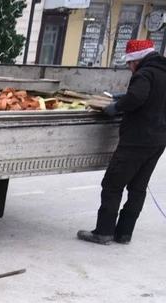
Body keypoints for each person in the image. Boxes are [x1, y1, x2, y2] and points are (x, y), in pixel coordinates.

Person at [78, 39, 166, 246]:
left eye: (129, 63)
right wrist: (124, 98)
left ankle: (103, 232)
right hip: (158, 139)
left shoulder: (145, 73)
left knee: (112, 184)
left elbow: (138, 97)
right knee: (138, 187)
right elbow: (153, 98)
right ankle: (124, 233)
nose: (129, 67)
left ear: (137, 60)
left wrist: (117, 107)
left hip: (137, 139)